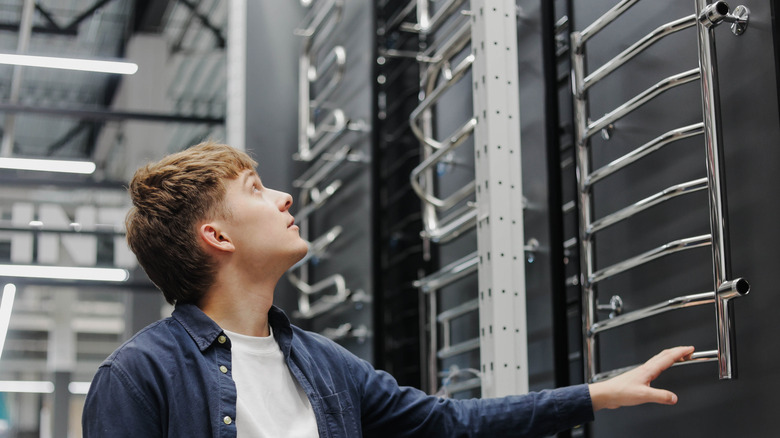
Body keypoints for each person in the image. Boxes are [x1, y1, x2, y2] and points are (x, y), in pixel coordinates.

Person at [82, 141, 695, 437]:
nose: (283, 196)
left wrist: (597, 395)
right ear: (216, 235)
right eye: (255, 188)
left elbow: (447, 423)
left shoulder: (322, 365)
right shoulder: (140, 376)